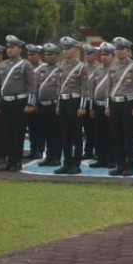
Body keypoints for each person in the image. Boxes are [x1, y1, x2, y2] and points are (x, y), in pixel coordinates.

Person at [0, 35, 38, 172]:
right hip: (5, 102)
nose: (9, 50)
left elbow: (32, 85)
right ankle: (9, 161)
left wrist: (30, 104)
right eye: (8, 47)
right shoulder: (2, 65)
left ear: (19, 49)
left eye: (12, 47)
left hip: (19, 102)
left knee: (18, 134)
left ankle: (17, 162)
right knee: (7, 133)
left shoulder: (25, 64)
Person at [106, 37, 133, 177]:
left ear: (128, 51)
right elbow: (109, 87)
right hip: (115, 103)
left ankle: (131, 166)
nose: (119, 52)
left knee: (130, 137)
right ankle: (120, 165)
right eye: (117, 49)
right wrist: (108, 105)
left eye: (122, 49)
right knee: (117, 136)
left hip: (129, 103)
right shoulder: (112, 66)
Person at [56, 37, 87, 175]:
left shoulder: (81, 67)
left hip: (75, 102)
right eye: (64, 48)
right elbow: (58, 87)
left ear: (75, 50)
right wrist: (58, 104)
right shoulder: (60, 66)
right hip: (63, 102)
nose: (65, 51)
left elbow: (85, 89)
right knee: (64, 136)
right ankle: (66, 163)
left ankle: (76, 164)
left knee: (76, 136)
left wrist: (82, 106)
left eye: (68, 48)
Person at [87, 43, 116, 169]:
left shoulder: (116, 69)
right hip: (98, 105)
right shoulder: (97, 70)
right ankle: (100, 158)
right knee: (99, 133)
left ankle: (111, 158)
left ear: (113, 56)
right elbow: (92, 88)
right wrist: (92, 107)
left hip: (111, 106)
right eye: (102, 54)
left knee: (111, 133)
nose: (104, 57)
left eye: (107, 54)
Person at [35, 43, 63, 167]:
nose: (47, 56)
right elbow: (36, 86)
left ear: (57, 55)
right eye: (46, 54)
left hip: (54, 105)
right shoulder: (42, 69)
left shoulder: (61, 69)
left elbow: (61, 88)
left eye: (50, 54)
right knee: (45, 132)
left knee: (56, 133)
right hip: (42, 105)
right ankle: (49, 156)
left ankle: (56, 157)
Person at [26, 44, 47, 161]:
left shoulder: (43, 67)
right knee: (31, 128)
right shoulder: (26, 67)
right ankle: (33, 150)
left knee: (40, 128)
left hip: (39, 102)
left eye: (32, 54)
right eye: (28, 54)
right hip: (27, 101)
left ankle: (39, 150)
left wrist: (36, 103)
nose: (30, 56)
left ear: (38, 55)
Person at [81, 45, 101, 162]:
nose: (88, 56)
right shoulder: (83, 68)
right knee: (87, 127)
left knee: (97, 128)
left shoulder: (100, 68)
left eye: (90, 54)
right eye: (86, 54)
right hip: (85, 100)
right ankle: (88, 150)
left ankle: (97, 151)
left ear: (95, 55)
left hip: (96, 100)